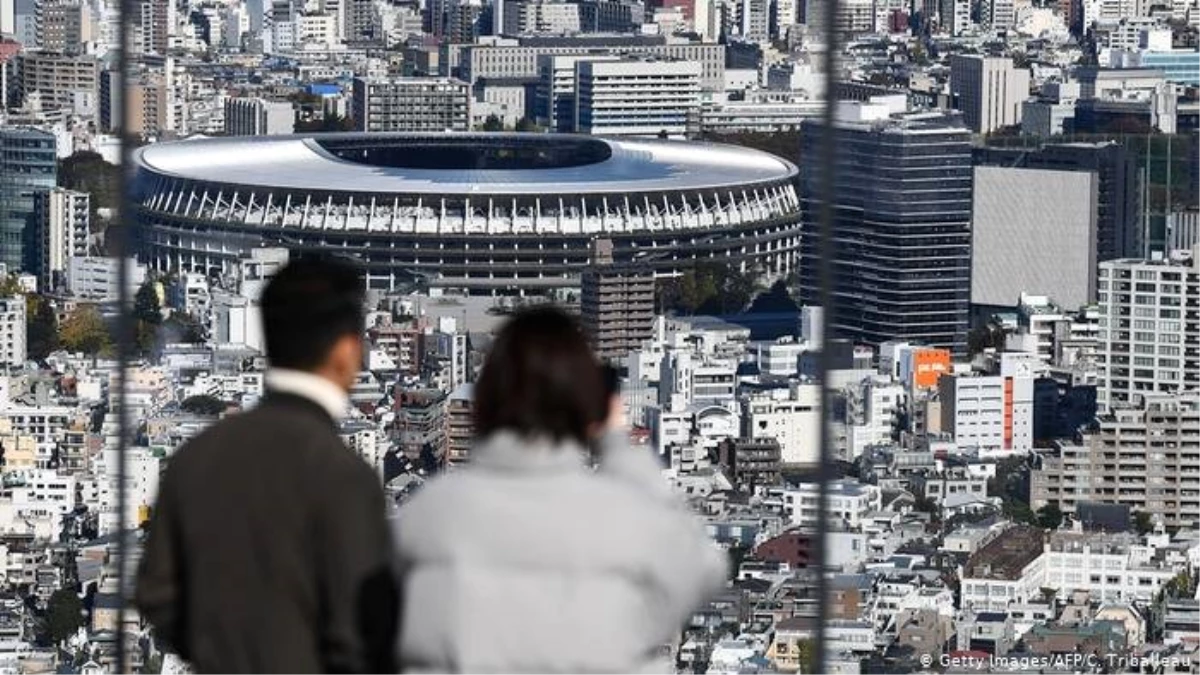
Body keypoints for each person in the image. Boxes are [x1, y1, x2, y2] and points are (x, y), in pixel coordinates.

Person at [392, 306, 728, 674]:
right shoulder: (626, 517)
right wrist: (617, 444)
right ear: (588, 408)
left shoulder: (423, 518)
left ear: (483, 403)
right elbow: (703, 567)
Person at [136, 257, 397, 675]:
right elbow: (361, 628)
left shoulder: (197, 457)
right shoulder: (343, 474)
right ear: (347, 351)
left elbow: (156, 592)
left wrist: (219, 646)